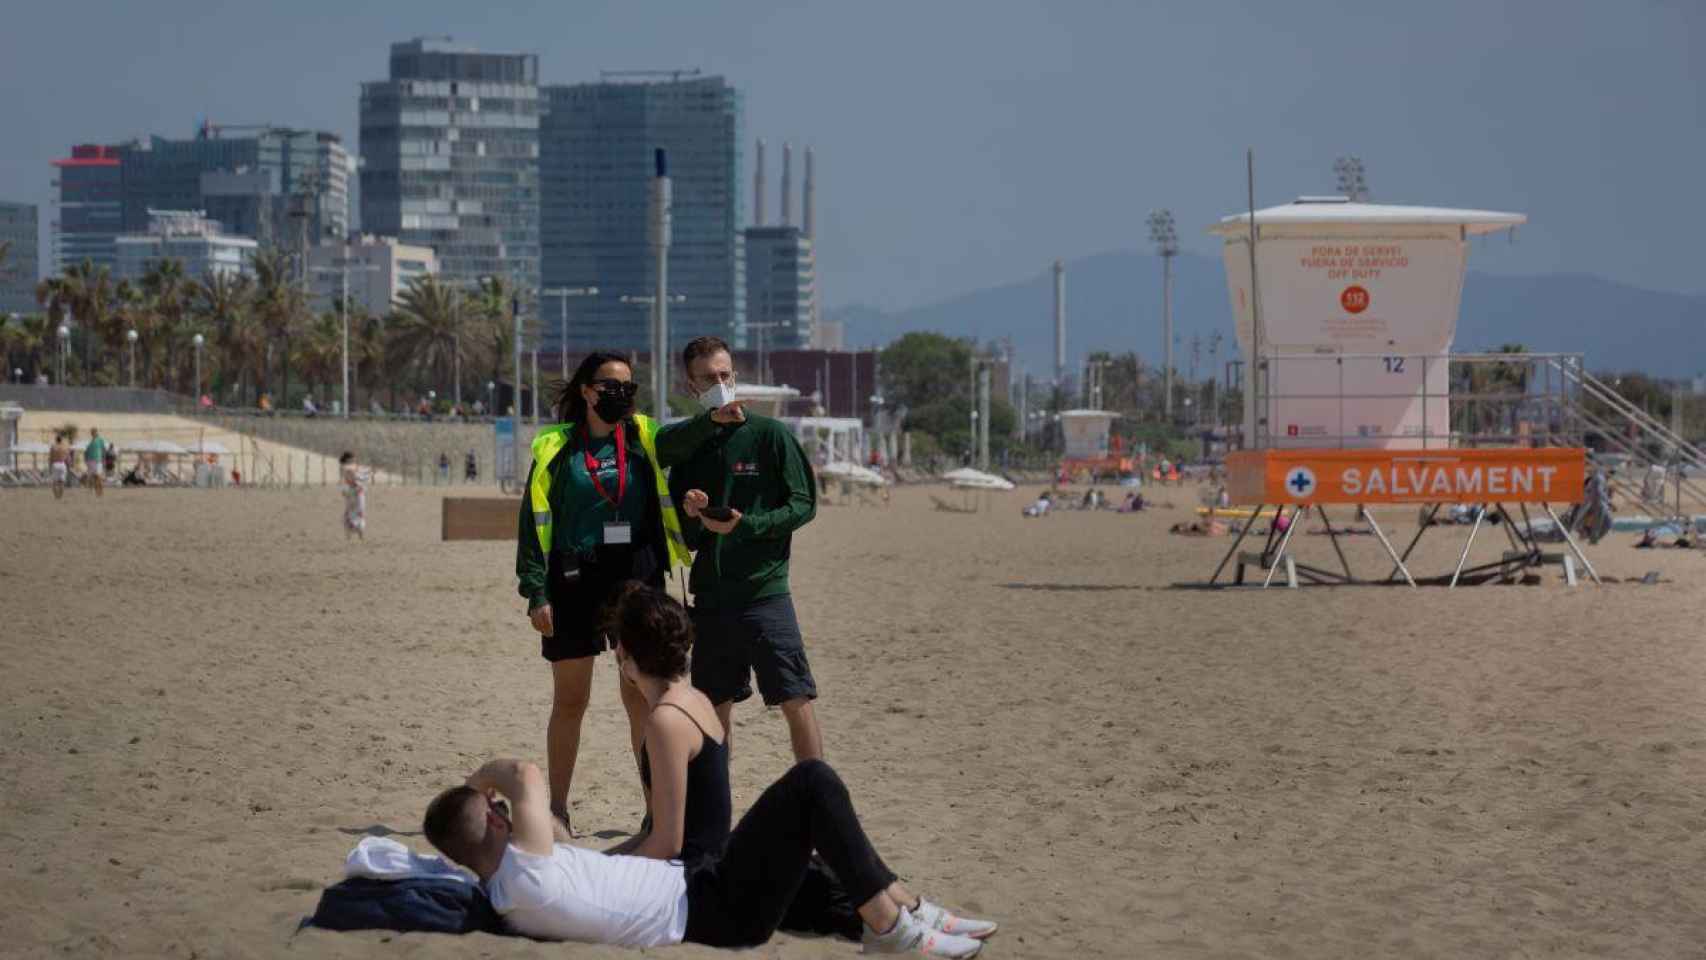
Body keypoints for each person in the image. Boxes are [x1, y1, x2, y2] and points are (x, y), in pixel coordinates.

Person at [602, 583, 998, 947]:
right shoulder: (697, 701)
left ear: (626, 655)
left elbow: (668, 842)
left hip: (703, 891)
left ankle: (903, 919)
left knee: (817, 822)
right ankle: (904, 920)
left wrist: (597, 872)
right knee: (814, 799)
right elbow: (668, 836)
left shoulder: (665, 721)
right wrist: (600, 861)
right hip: (713, 876)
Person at [422, 757, 991, 956]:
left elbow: (551, 829)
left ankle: (909, 909)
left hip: (696, 889)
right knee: (813, 785)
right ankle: (894, 927)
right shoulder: (525, 876)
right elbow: (524, 774)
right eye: (496, 809)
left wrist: (485, 808)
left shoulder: (513, 879)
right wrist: (479, 780)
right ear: (495, 819)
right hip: (708, 907)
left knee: (813, 877)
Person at [515, 351, 740, 836]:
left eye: (629, 388)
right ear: (586, 390)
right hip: (573, 579)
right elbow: (531, 524)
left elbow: (680, 440)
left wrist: (711, 420)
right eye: (610, 386)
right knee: (570, 701)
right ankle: (558, 809)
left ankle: (656, 808)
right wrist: (535, 591)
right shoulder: (555, 447)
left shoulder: (642, 435)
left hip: (636, 575)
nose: (621, 395)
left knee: (640, 697)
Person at [671, 336, 824, 764]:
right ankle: (717, 814)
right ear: (690, 386)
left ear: (734, 376)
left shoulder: (770, 435)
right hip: (713, 599)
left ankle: (816, 798)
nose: (719, 384)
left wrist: (749, 525)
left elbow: (804, 505)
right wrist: (692, 512)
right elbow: (683, 533)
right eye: (708, 378)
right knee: (712, 706)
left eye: (725, 375)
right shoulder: (690, 446)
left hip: (766, 594)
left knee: (795, 698)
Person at [339, 452, 367, 541]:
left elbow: (361, 477)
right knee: (352, 514)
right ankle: (351, 537)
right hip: (353, 493)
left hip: (357, 493)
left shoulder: (351, 467)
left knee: (358, 514)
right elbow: (355, 476)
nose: (353, 460)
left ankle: (359, 536)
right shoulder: (347, 468)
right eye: (352, 459)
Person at [83, 428, 109, 497]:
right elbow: (86, 452)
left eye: (94, 432)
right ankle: (97, 492)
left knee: (98, 476)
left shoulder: (100, 440)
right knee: (94, 477)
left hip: (98, 460)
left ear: (96, 432)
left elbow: (103, 450)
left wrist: (104, 459)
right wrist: (86, 459)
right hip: (91, 461)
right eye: (92, 432)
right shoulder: (91, 442)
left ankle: (100, 490)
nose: (93, 433)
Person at [48, 433, 70, 499]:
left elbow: (51, 457)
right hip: (62, 464)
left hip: (55, 464)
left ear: (56, 440)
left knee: (54, 482)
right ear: (61, 440)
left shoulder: (53, 447)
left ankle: (56, 496)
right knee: (62, 482)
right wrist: (68, 466)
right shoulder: (64, 447)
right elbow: (68, 458)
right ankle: (60, 496)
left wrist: (49, 466)